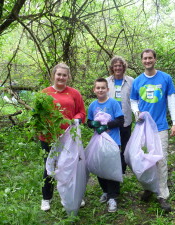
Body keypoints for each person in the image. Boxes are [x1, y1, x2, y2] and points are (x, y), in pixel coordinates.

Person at [130, 49, 175, 213]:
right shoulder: (137, 81)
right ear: (141, 61)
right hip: (143, 127)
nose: (147, 61)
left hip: (160, 126)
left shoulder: (165, 78)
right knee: (142, 159)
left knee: (161, 159)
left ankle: (162, 195)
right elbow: (133, 101)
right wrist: (137, 114)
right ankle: (149, 187)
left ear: (155, 59)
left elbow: (171, 100)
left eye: (150, 58)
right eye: (145, 58)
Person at [39, 63, 86, 211]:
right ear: (53, 75)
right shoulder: (44, 93)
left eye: (64, 75)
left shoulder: (74, 93)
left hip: (69, 138)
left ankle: (71, 196)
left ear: (68, 77)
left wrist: (77, 119)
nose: (61, 77)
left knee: (70, 167)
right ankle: (47, 198)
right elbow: (36, 114)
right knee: (50, 168)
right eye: (59, 74)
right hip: (49, 137)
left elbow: (82, 112)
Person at [87, 78, 124, 213]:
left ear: (108, 89)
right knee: (100, 166)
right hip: (98, 141)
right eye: (98, 88)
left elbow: (121, 120)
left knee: (112, 167)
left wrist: (106, 125)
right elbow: (89, 121)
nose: (100, 90)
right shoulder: (92, 105)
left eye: (103, 87)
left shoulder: (113, 103)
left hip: (112, 141)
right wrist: (93, 124)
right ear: (94, 90)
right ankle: (105, 191)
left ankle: (113, 196)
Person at [106, 56, 134, 174]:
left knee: (125, 146)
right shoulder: (106, 81)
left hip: (126, 118)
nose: (118, 68)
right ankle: (113, 169)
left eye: (120, 65)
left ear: (124, 67)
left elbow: (135, 99)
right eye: (115, 66)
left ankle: (122, 170)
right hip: (111, 120)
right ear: (112, 68)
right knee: (113, 146)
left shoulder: (131, 81)